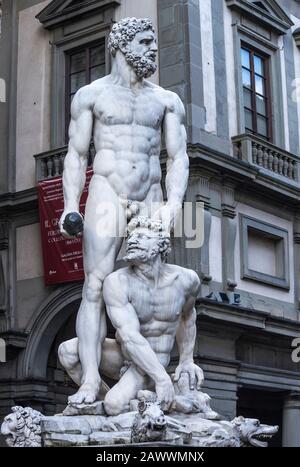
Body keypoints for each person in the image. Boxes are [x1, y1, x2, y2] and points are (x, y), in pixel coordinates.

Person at [59, 17, 189, 405]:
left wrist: (172, 205)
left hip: (149, 193)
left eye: (154, 41)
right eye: (146, 41)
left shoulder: (166, 99)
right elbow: (77, 155)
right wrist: (69, 206)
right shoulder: (91, 95)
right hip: (107, 191)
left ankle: (153, 373)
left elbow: (178, 157)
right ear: (121, 44)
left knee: (152, 283)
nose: (153, 48)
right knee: (95, 286)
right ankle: (89, 381)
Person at [59, 217, 203, 414]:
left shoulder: (187, 280)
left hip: (155, 358)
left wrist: (187, 360)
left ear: (161, 245)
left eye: (142, 236)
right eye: (131, 237)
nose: (133, 240)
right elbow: (130, 336)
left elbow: (187, 317)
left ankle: (131, 401)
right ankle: (101, 404)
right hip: (125, 353)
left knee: (115, 404)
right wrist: (162, 379)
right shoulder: (117, 282)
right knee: (67, 351)